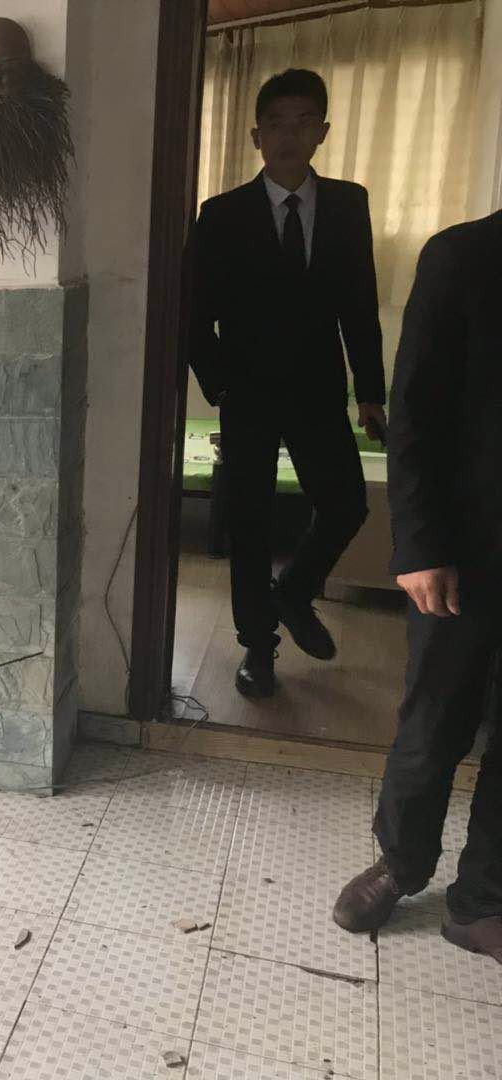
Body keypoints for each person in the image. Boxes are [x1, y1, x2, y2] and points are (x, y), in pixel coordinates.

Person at [332, 209, 502, 962]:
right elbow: (415, 414)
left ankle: (482, 900)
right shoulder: (465, 257)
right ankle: (401, 863)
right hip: (466, 549)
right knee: (436, 716)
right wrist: (421, 545)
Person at [189, 68, 386, 699]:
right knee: (248, 522)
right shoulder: (221, 214)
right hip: (246, 391)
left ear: (322, 131)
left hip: (319, 388)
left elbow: (360, 303)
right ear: (256, 136)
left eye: (302, 122)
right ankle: (258, 647)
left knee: (347, 502)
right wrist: (218, 385)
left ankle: (295, 589)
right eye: (275, 123)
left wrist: (371, 391)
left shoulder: (348, 205)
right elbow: (194, 311)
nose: (288, 135)